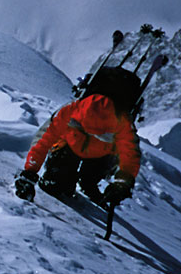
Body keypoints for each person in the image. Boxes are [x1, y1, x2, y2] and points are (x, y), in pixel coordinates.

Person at [14, 66, 141, 209]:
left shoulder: (122, 124)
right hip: (71, 147)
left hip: (100, 155)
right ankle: (74, 181)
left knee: (89, 181)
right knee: (55, 186)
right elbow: (44, 140)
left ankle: (89, 183)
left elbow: (130, 157)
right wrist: (29, 172)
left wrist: (122, 184)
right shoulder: (70, 110)